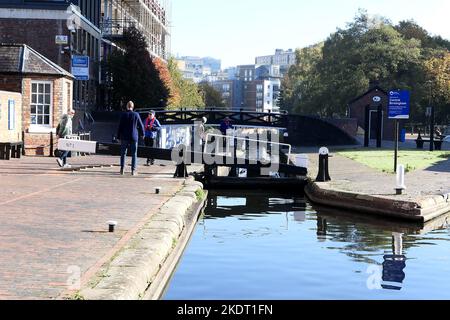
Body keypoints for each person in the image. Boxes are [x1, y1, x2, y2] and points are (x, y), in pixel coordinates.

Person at [117, 101, 145, 176]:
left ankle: (122, 169)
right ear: (133, 107)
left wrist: (118, 136)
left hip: (124, 136)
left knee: (123, 153)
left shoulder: (123, 115)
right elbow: (141, 125)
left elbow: (120, 126)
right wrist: (143, 134)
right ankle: (133, 170)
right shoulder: (136, 114)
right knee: (134, 154)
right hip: (133, 136)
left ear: (127, 106)